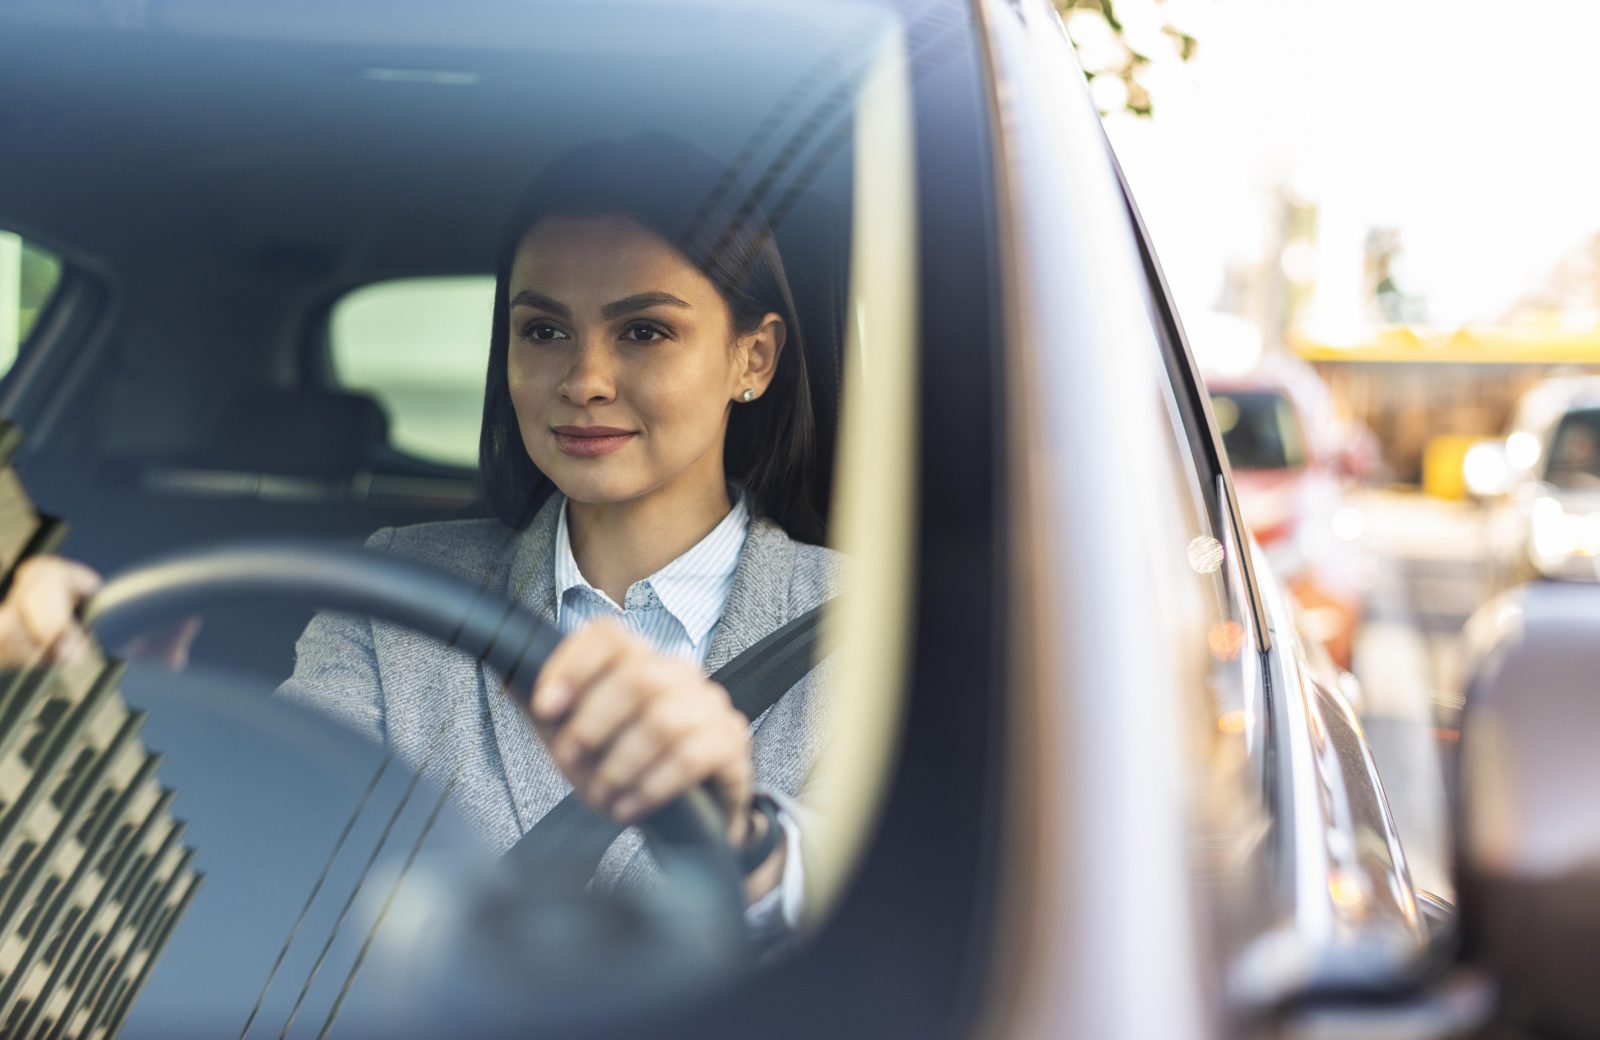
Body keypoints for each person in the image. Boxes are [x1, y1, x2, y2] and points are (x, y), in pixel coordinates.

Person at [0, 136, 841, 935]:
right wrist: (116, 725)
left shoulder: (868, 625)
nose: (584, 380)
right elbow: (276, 851)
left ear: (752, 360)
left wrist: (748, 847)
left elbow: (907, 923)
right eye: (543, 330)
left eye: (645, 331)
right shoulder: (396, 587)